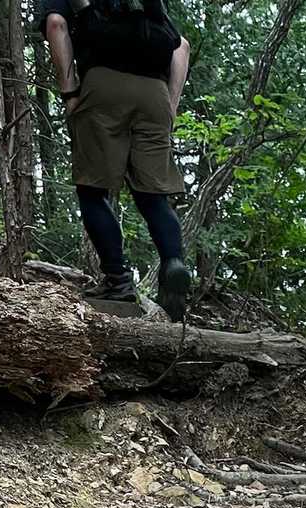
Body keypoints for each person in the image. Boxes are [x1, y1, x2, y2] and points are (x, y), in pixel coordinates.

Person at [40, 0, 193, 320]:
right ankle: (174, 263)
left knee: (92, 190)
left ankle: (118, 280)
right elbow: (181, 47)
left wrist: (70, 93)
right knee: (153, 195)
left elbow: (56, 24)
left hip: (103, 84)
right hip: (155, 94)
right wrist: (170, 106)